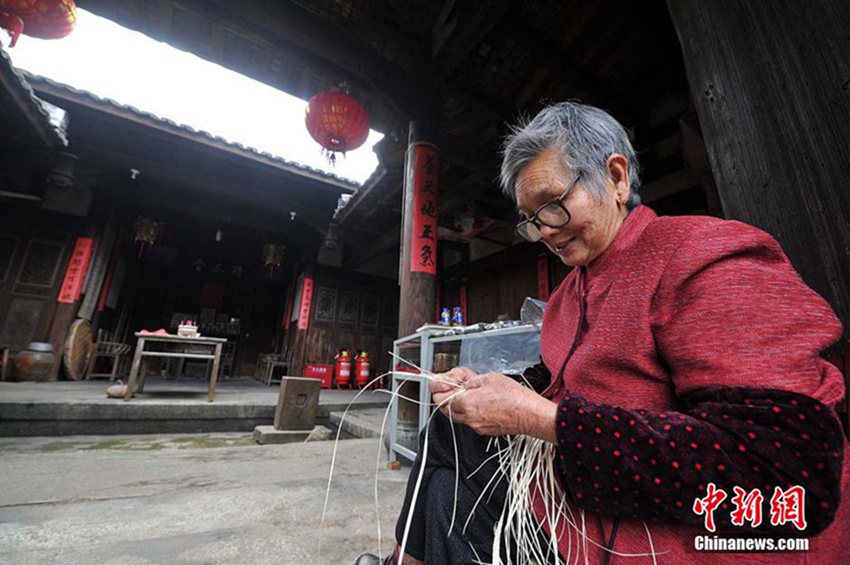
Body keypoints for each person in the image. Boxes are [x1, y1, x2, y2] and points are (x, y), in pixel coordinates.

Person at [356, 101, 849, 564]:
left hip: (664, 526)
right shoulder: (571, 291)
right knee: (448, 440)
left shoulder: (704, 256)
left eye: (553, 204)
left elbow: (786, 472)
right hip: (583, 482)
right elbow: (561, 373)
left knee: (454, 502)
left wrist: (543, 420)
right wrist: (492, 387)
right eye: (532, 220)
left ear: (616, 177)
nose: (545, 231)